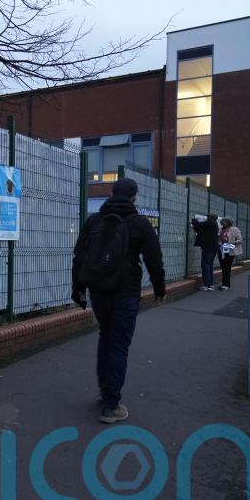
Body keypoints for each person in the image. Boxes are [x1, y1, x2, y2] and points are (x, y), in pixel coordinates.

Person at [71, 178, 166, 424]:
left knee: (105, 337)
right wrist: (159, 289)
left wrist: (79, 289)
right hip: (126, 292)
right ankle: (112, 405)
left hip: (98, 291)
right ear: (134, 197)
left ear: (112, 194)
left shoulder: (94, 220)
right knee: (119, 345)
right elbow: (154, 258)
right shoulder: (139, 223)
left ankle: (106, 394)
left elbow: (79, 255)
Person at [191, 213, 219, 290]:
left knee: (205, 265)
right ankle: (210, 284)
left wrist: (193, 220)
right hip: (212, 247)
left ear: (211, 218)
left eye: (208, 217)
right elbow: (199, 229)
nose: (207, 218)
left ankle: (206, 285)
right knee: (209, 266)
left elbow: (199, 225)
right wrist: (195, 224)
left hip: (208, 247)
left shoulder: (210, 223)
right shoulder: (213, 224)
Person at [217, 218, 243, 290]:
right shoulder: (220, 229)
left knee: (227, 267)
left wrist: (232, 243)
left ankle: (226, 284)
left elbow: (240, 239)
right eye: (222, 222)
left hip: (230, 250)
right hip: (221, 250)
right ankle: (224, 284)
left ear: (228, 222)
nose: (222, 224)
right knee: (223, 267)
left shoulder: (235, 229)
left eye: (224, 222)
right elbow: (218, 238)